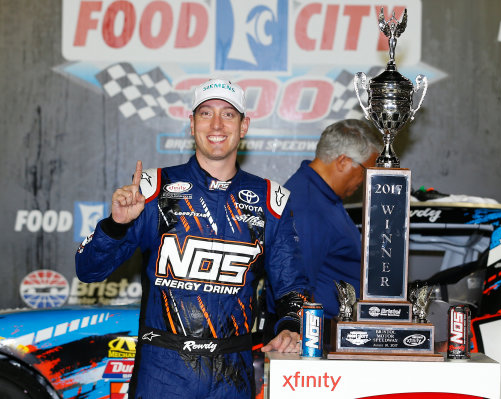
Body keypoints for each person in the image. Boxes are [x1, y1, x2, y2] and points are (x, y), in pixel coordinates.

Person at [76, 79, 308, 399]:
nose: (216, 124)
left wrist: (290, 326)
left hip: (233, 374)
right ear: (191, 124)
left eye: (228, 115)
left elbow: (292, 286)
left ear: (244, 127)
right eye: (205, 113)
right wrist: (115, 225)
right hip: (163, 370)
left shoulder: (270, 199)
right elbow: (88, 270)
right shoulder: (155, 188)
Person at [271, 119, 383, 342]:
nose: (366, 180)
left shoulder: (324, 197)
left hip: (337, 333)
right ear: (343, 161)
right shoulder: (307, 206)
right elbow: (297, 285)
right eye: (365, 171)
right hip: (321, 339)